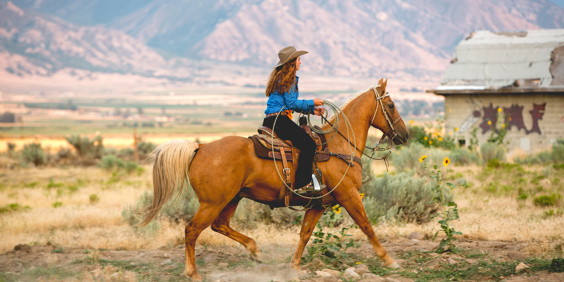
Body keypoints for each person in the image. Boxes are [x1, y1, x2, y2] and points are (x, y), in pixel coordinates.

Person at [263, 46, 325, 192]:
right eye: (298, 59)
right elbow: (291, 104)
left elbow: (290, 105)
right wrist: (312, 102)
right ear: (292, 62)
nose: (300, 62)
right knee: (309, 144)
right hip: (280, 121)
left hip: (270, 120)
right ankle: (303, 184)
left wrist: (312, 110)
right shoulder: (289, 80)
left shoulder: (280, 79)